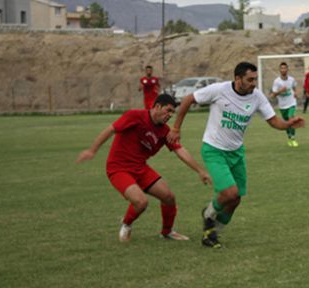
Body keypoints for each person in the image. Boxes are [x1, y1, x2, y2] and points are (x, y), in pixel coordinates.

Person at [167, 62, 305, 248]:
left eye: (255, 79)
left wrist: (288, 124)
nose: (253, 83)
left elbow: (274, 121)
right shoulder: (219, 90)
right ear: (237, 79)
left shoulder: (257, 97)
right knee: (229, 193)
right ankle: (208, 214)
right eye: (249, 79)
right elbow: (188, 99)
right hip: (214, 149)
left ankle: (212, 233)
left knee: (236, 199)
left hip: (236, 152)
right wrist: (176, 128)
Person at [76, 94, 212, 242]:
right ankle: (126, 224)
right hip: (118, 168)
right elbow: (111, 130)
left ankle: (167, 232)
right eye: (168, 110)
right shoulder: (135, 116)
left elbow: (180, 151)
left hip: (140, 168)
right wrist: (92, 150)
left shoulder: (165, 131)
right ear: (157, 106)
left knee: (169, 197)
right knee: (141, 202)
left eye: (172, 112)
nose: (170, 115)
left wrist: (200, 170)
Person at [269, 62, 299, 147]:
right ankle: (289, 137)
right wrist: (280, 91)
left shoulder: (291, 79)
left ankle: (293, 138)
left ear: (287, 69)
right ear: (279, 70)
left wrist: (296, 92)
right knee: (286, 123)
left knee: (291, 118)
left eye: (285, 68)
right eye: (282, 68)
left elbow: (294, 87)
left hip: (292, 103)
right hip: (282, 105)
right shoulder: (277, 82)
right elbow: (273, 95)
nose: (283, 70)